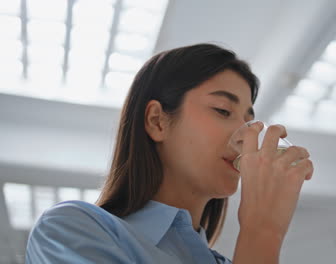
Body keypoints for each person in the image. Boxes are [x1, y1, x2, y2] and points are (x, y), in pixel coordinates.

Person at [25, 43, 314, 263]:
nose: (246, 136)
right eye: (223, 110)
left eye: (249, 121)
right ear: (157, 121)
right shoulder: (72, 229)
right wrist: (262, 231)